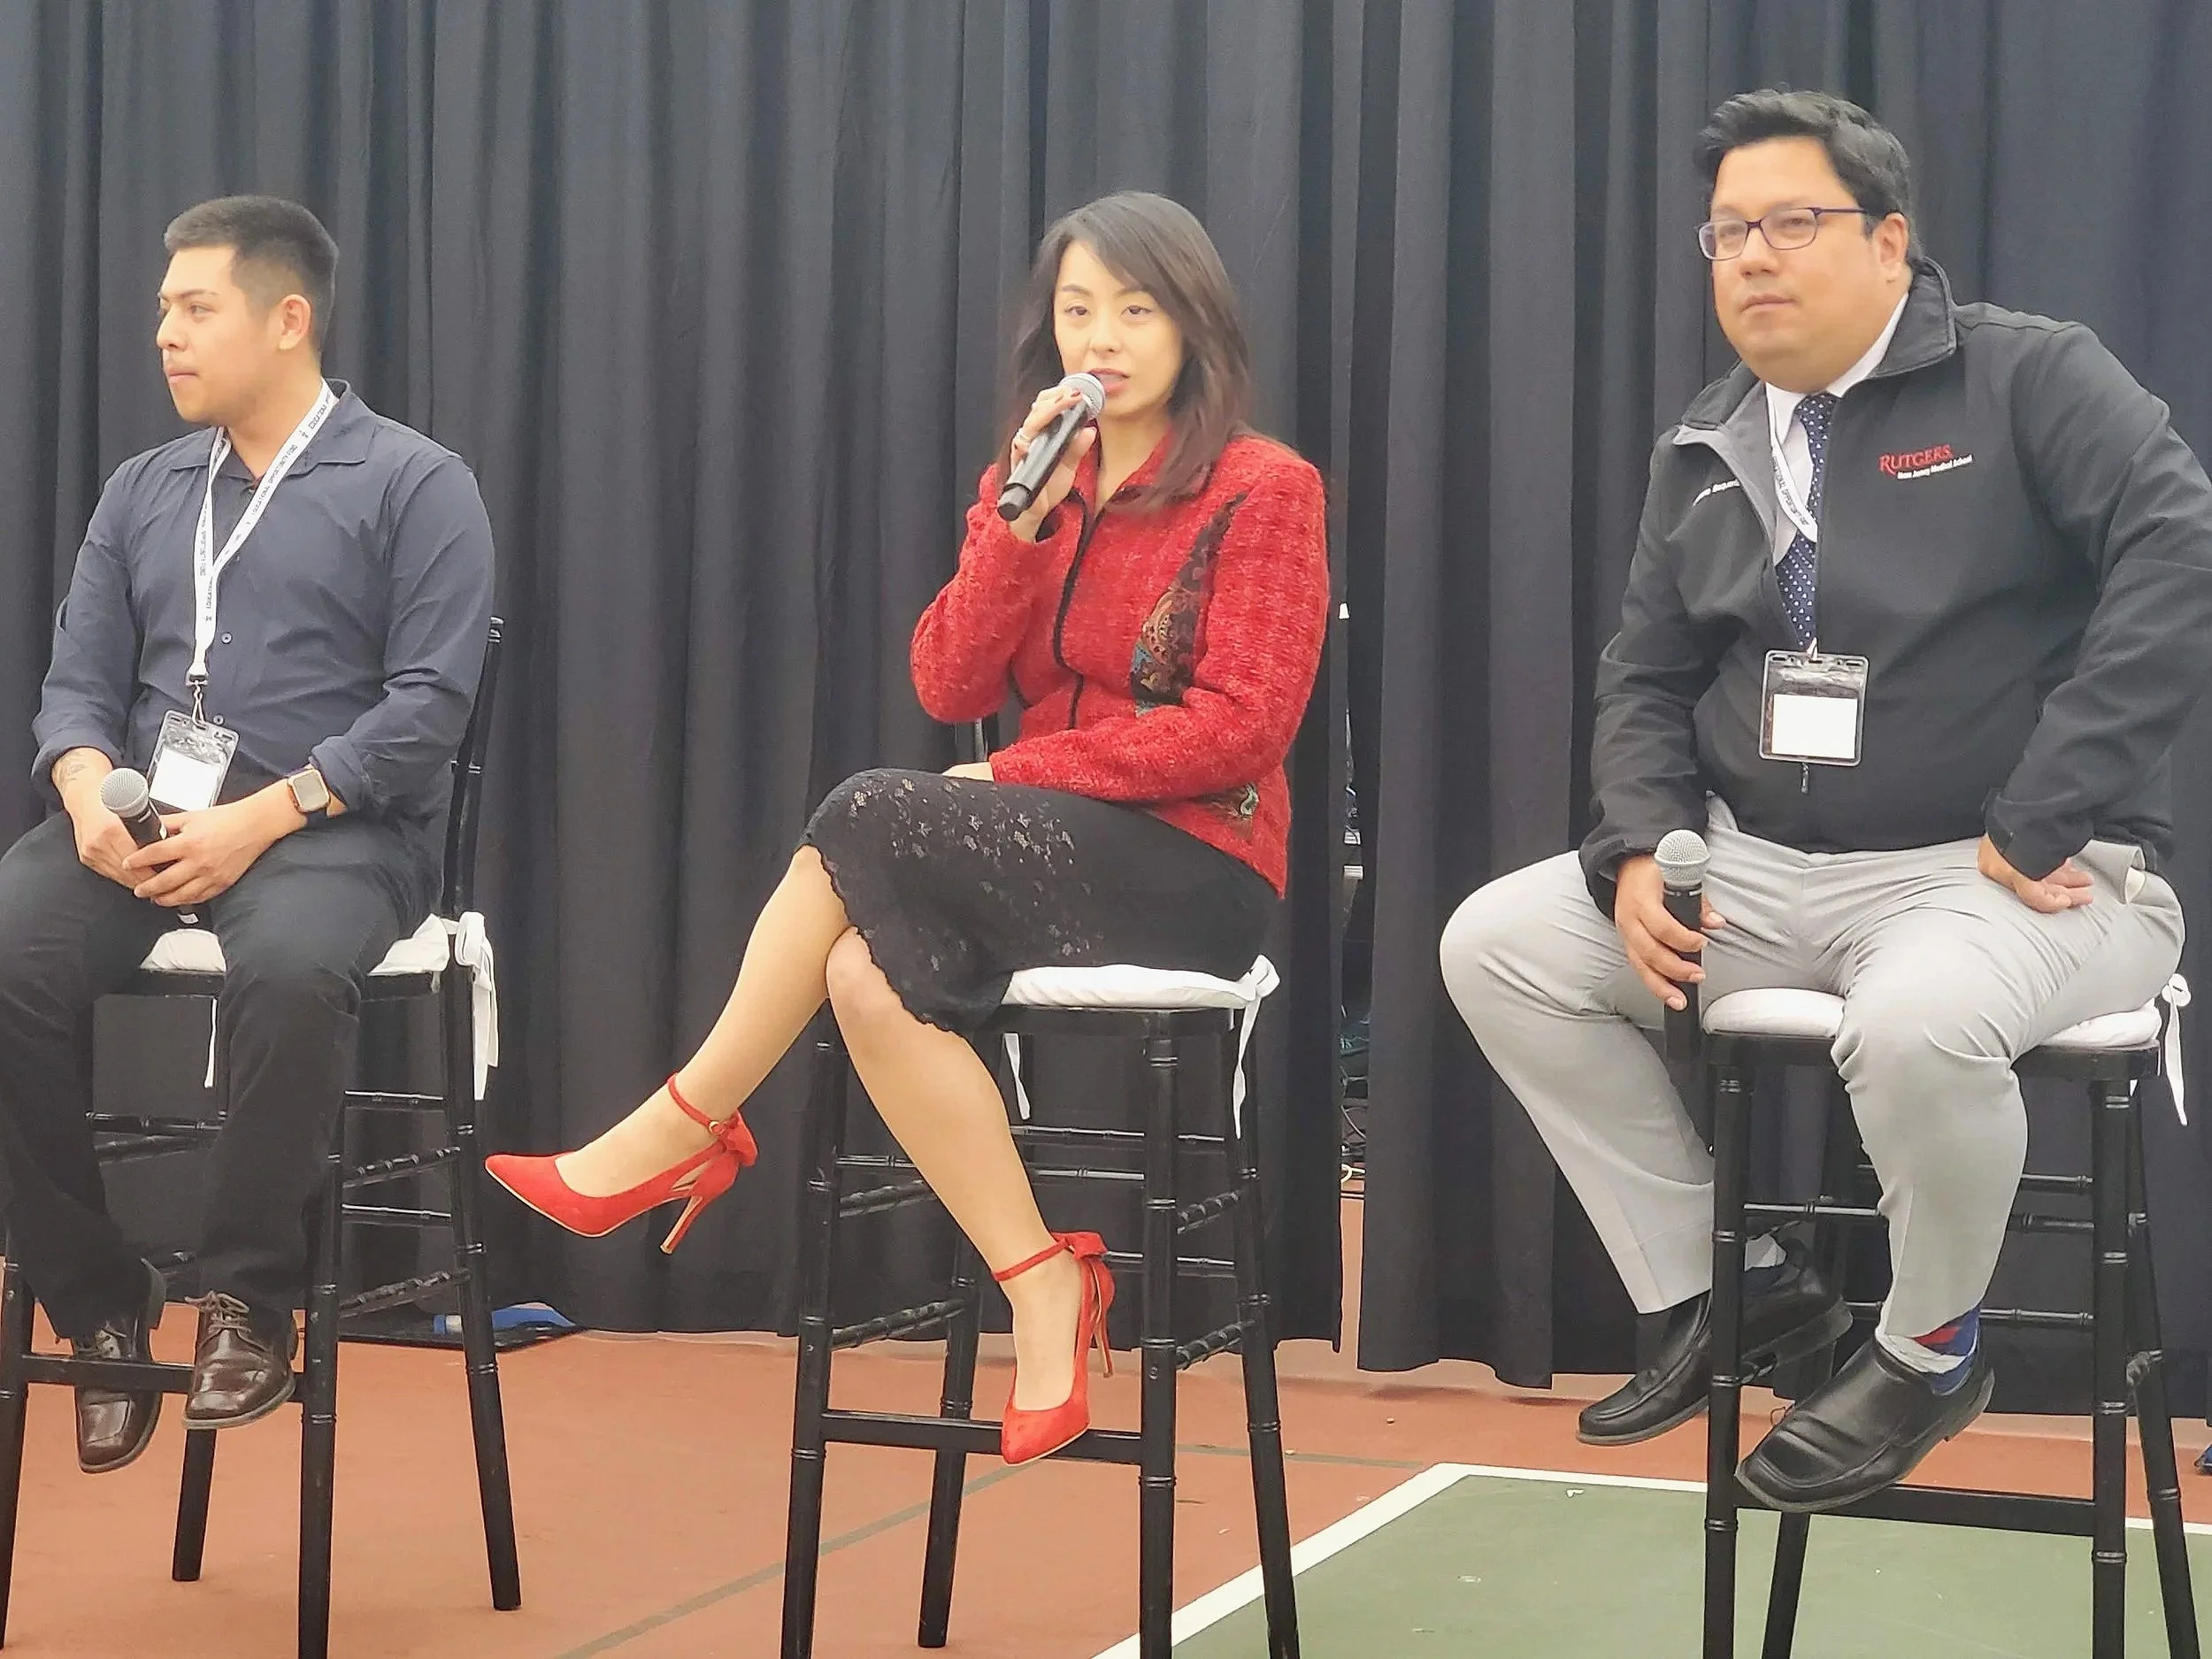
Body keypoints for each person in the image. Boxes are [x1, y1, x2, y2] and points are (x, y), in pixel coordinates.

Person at [1439, 90, 2212, 1513]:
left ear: (1891, 241)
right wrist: (1634, 852)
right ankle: (1726, 1290)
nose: (1752, 257)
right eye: (1727, 232)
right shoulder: (1712, 440)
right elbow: (1645, 676)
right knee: (1502, 942)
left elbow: (2183, 550)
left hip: (2015, 879)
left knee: (1916, 1021)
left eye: (1792, 223)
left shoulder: (2028, 378)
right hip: (1763, 873)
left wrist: (2044, 810)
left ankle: (1929, 1348)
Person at [488, 189, 1329, 1465]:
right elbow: (945, 683)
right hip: (1051, 846)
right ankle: (1043, 1279)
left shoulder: (1265, 489)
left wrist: (1028, 772)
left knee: (863, 808)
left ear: (1196, 326)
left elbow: (1240, 730)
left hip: (1197, 863)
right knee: (859, 975)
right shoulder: (1030, 479)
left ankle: (689, 1118)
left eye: (1135, 310)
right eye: (1077, 310)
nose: (1100, 338)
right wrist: (1016, 529)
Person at [4, 196, 495, 1471]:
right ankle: (100, 1305)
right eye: (163, 309)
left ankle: (246, 1303)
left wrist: (265, 814)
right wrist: (85, 792)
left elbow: (430, 708)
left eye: (194, 307)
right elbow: (75, 687)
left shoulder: (414, 481)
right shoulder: (143, 490)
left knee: (287, 968)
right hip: (146, 822)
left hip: (335, 824)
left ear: (289, 321)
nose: (164, 332)